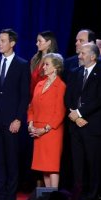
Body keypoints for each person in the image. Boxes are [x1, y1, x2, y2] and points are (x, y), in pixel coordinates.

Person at [0, 28, 30, 200]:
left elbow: (24, 95)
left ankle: (10, 198)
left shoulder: (22, 64)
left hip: (11, 121)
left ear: (12, 43)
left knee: (11, 160)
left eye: (3, 40)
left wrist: (18, 119)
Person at [65, 41, 101, 200]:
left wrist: (80, 113)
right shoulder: (74, 72)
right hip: (75, 126)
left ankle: (92, 198)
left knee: (93, 163)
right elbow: (68, 96)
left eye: (83, 53)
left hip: (93, 126)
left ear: (93, 56)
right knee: (77, 164)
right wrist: (75, 116)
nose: (79, 56)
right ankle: (78, 196)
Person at [28, 53, 67, 189]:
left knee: (52, 167)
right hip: (37, 131)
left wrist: (44, 130)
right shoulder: (39, 84)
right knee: (44, 167)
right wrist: (31, 124)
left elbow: (60, 112)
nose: (43, 67)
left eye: (46, 64)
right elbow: (32, 107)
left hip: (51, 132)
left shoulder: (60, 86)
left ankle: (54, 198)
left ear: (56, 67)